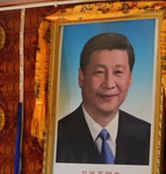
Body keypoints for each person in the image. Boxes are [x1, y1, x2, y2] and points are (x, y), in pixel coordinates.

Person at [55, 32, 150, 165]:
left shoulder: (147, 135)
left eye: (118, 72)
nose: (109, 84)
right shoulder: (57, 135)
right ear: (81, 77)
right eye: (99, 72)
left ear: (130, 79)